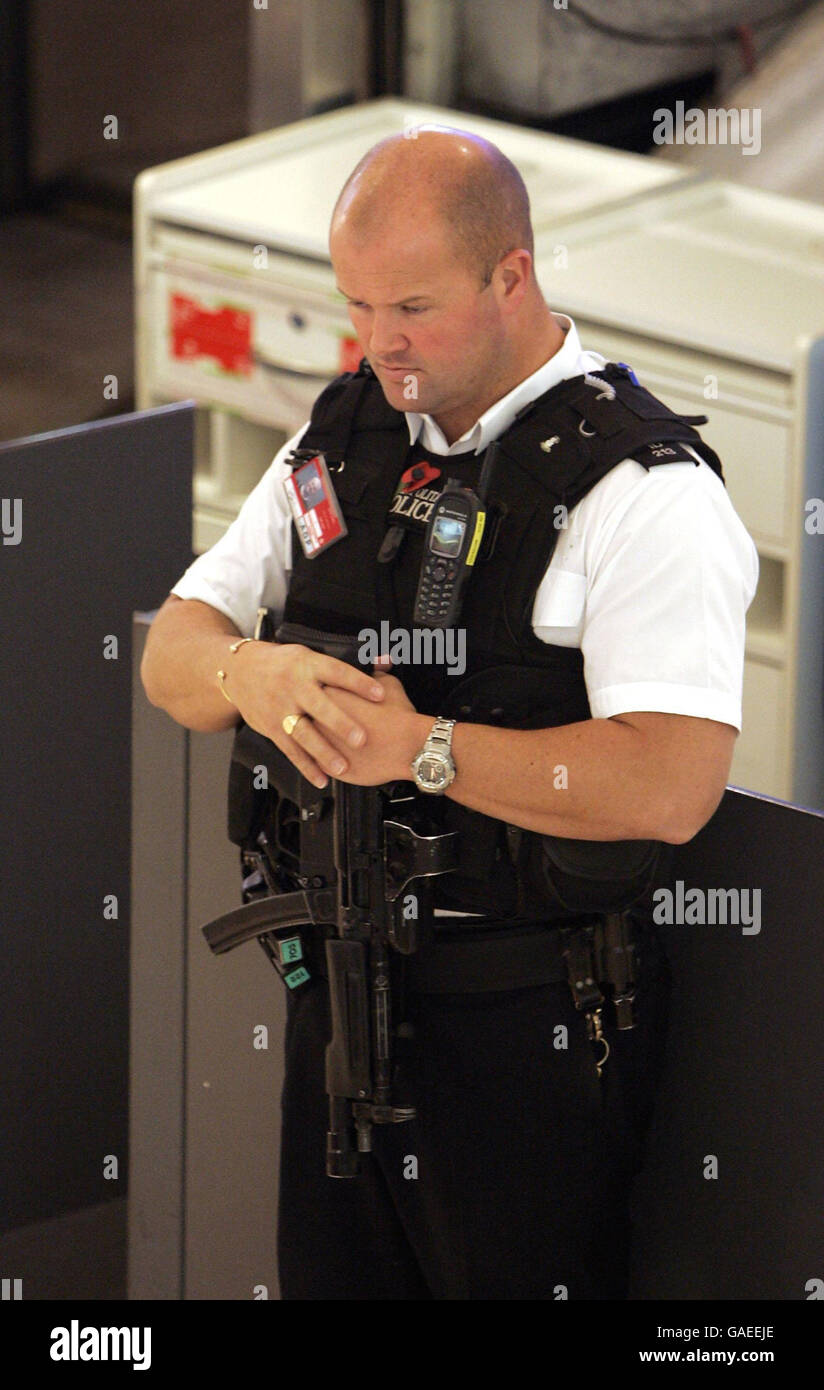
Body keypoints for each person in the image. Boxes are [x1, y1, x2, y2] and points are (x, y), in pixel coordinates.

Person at [141, 126, 758, 1300]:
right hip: (338, 988)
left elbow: (671, 788)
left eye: (412, 305)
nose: (381, 343)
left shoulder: (640, 495)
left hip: (529, 1027)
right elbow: (173, 651)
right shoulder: (349, 438)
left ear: (510, 277)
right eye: (359, 304)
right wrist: (248, 677)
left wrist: (419, 749)